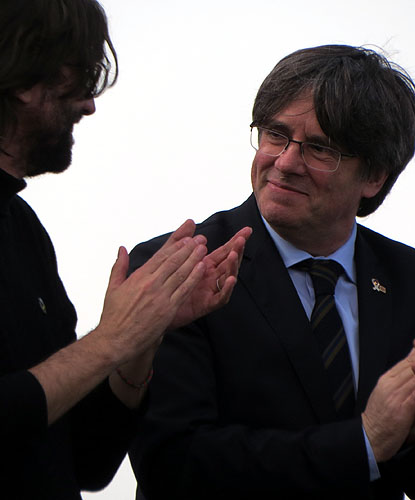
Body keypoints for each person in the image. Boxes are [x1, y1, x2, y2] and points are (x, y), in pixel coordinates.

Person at [129, 44, 415, 499]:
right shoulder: (180, 267)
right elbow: (172, 466)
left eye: (320, 149)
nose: (285, 163)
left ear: (374, 176)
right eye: (275, 134)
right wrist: (364, 443)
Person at [0, 1, 251, 498]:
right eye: (82, 76)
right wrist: (110, 339)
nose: (89, 105)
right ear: (25, 79)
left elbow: (85, 462)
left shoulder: (23, 228)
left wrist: (142, 339)